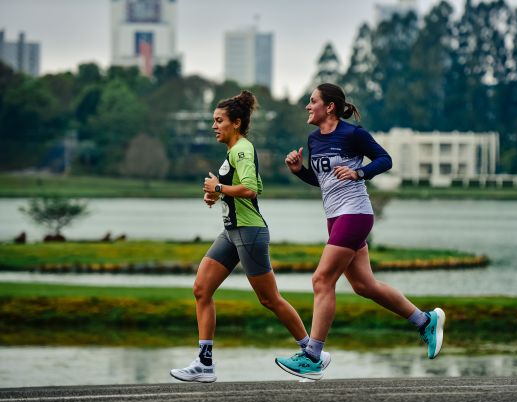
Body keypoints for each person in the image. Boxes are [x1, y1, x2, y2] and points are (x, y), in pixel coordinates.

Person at [275, 83, 445, 380]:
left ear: (329, 107)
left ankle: (313, 355)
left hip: (355, 214)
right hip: (335, 217)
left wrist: (359, 172)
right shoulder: (314, 139)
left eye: (312, 101)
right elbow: (323, 180)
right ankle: (425, 321)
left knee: (321, 279)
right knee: (364, 286)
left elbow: (385, 159)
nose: (307, 106)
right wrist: (300, 170)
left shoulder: (353, 134)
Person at [170, 90, 329, 383]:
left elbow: (251, 189)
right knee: (201, 289)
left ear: (237, 123)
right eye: (213, 121)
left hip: (249, 232)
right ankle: (204, 363)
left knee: (269, 299)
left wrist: (218, 190)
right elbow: (243, 189)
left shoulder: (241, 150)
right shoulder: (233, 151)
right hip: (232, 232)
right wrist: (217, 194)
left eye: (219, 121)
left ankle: (311, 352)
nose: (214, 126)